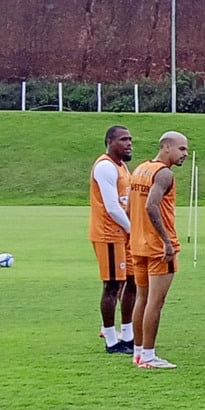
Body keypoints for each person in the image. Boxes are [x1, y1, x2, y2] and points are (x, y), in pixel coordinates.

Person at [128, 131, 189, 369]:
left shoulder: (141, 168)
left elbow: (130, 205)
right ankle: (150, 355)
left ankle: (138, 352)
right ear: (166, 147)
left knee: (141, 299)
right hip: (158, 248)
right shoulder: (164, 174)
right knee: (155, 301)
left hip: (138, 244)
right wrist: (166, 241)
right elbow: (150, 205)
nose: (185, 154)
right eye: (181, 149)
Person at [90, 125, 135, 355]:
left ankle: (128, 335)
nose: (129, 144)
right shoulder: (105, 167)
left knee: (132, 281)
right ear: (110, 141)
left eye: (130, 140)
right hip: (109, 233)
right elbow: (112, 207)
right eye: (123, 139)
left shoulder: (122, 167)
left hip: (124, 233)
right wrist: (133, 230)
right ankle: (110, 338)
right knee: (112, 285)